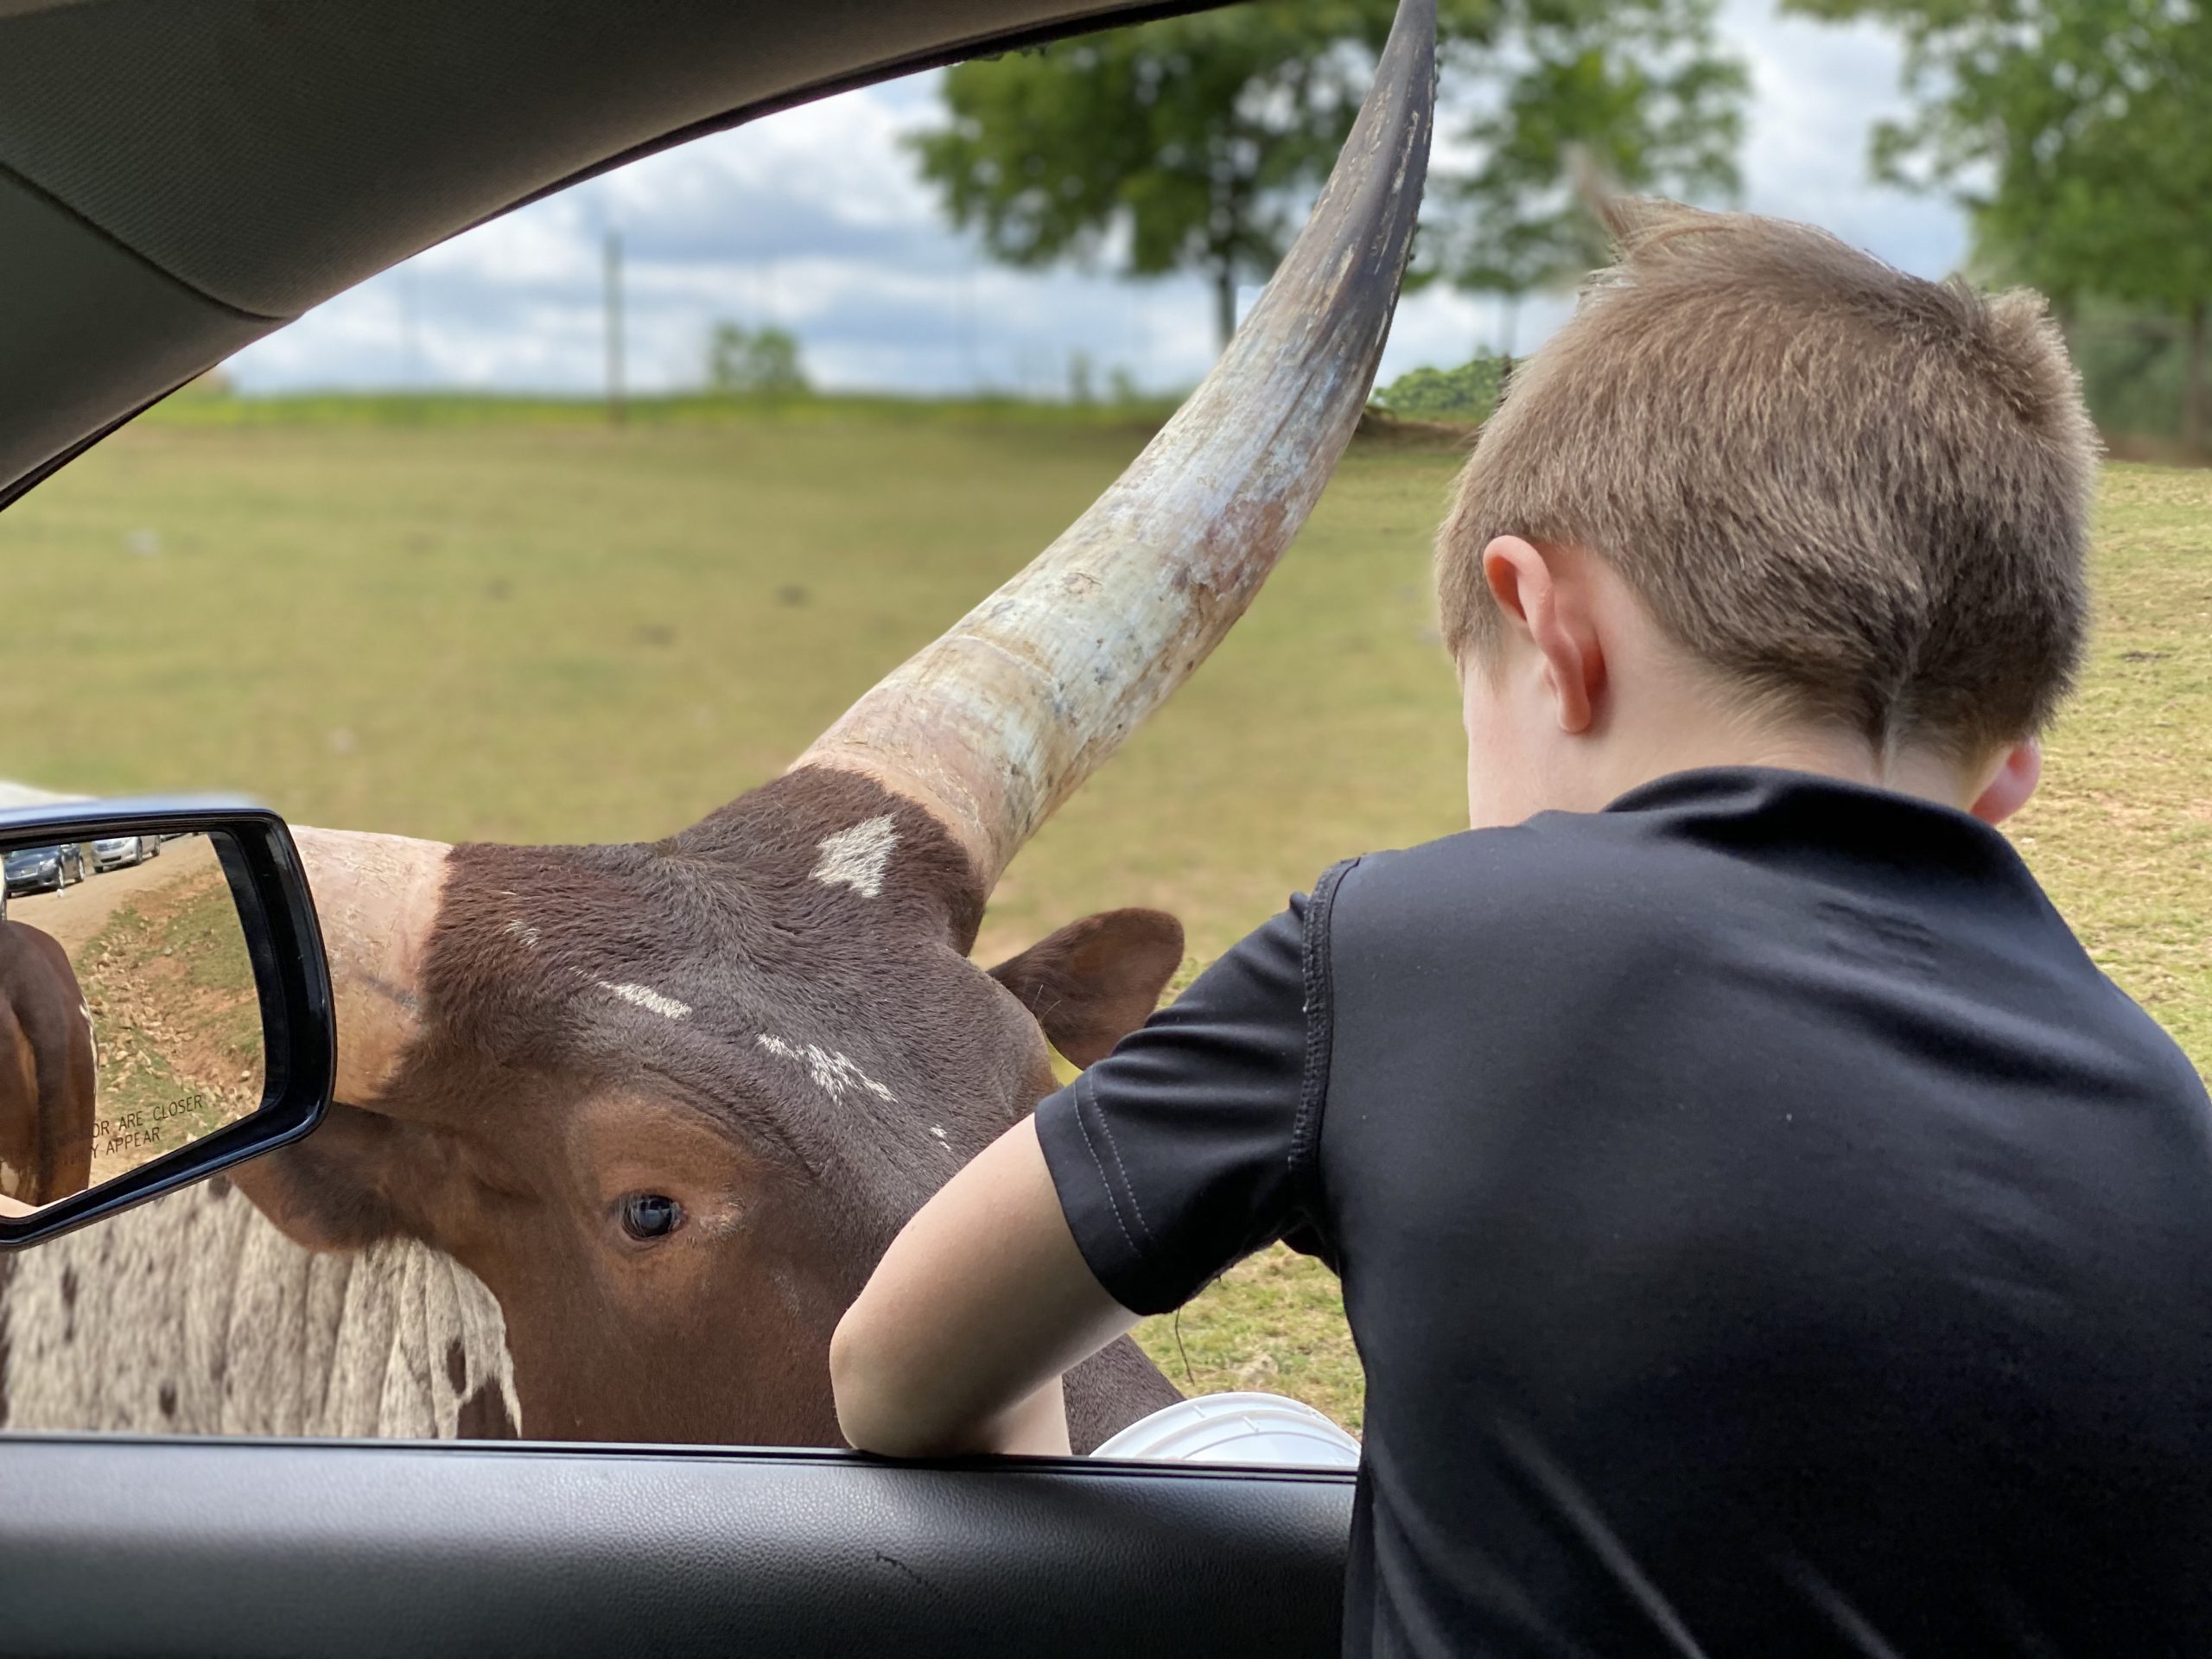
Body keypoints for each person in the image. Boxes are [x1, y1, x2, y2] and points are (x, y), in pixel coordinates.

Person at [830, 200, 2212, 1656]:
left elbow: (900, 1370)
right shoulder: (2161, 1122)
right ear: (2005, 776)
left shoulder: (1401, 953)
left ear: (1547, 627)